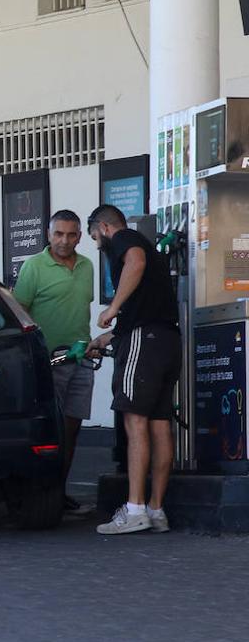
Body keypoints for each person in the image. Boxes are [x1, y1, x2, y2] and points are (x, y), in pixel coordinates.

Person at [86, 204, 182, 535]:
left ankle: (135, 508)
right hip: (166, 339)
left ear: (103, 227)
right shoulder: (150, 252)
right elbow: (142, 309)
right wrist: (108, 335)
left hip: (145, 340)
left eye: (93, 236)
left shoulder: (124, 239)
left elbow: (135, 262)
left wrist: (112, 308)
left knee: (134, 419)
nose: (96, 243)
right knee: (158, 424)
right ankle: (156, 510)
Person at [12, 209, 94, 511]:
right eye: (59, 234)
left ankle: (59, 490)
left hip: (82, 359)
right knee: (52, 431)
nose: (64, 241)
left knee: (72, 429)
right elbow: (19, 311)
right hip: (50, 362)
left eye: (71, 234)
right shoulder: (34, 266)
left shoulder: (87, 266)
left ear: (80, 237)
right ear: (48, 234)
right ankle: (42, 493)